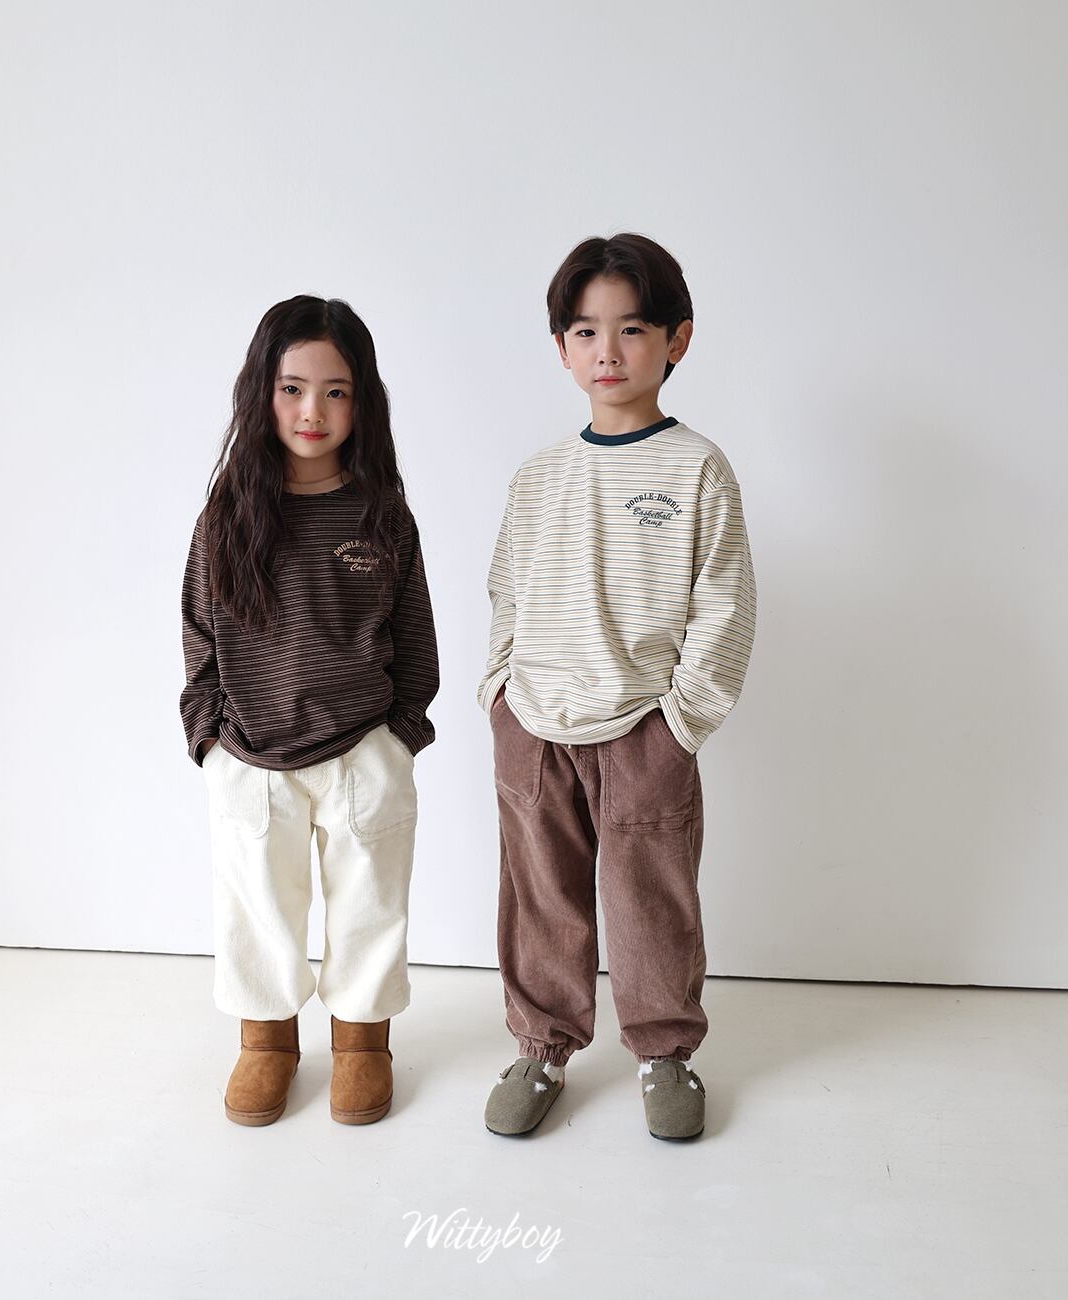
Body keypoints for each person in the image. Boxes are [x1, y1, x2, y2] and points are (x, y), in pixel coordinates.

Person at [478, 234, 757, 1140]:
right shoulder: (538, 476)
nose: (609, 351)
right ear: (562, 347)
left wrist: (681, 725)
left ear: (677, 340)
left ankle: (664, 1052)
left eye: (632, 329)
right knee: (542, 896)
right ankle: (542, 1047)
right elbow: (507, 588)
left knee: (651, 900)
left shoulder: (696, 468)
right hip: (536, 724)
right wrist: (500, 697)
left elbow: (724, 603)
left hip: (643, 726)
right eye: (587, 331)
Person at [179, 295, 439, 1127]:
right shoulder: (226, 519)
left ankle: (363, 1045)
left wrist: (398, 740)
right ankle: (267, 1043)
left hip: (363, 751)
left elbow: (415, 638)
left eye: (336, 391)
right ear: (262, 393)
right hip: (252, 756)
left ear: (363, 401)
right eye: (292, 389)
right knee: (257, 909)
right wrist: (211, 741)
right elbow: (198, 638)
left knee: (370, 905)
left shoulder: (383, 516)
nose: (312, 410)